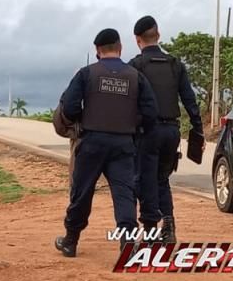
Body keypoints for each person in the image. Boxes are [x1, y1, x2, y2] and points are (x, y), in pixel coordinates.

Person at [54, 28, 158, 258]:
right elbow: (151, 112)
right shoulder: (135, 76)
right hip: (123, 144)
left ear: (98, 51)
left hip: (91, 142)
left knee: (82, 192)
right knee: (124, 195)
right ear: (120, 48)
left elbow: (69, 107)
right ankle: (128, 246)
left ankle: (70, 241)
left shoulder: (86, 74)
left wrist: (81, 120)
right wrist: (134, 128)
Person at [129, 16, 203, 244]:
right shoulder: (175, 64)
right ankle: (168, 225)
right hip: (172, 131)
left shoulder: (135, 66)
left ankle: (151, 229)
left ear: (137, 40)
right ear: (158, 36)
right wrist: (197, 129)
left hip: (146, 132)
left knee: (145, 179)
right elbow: (189, 99)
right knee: (162, 178)